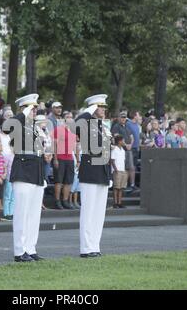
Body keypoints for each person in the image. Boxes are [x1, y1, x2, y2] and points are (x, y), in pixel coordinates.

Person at [3, 93, 47, 262]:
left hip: (36, 170)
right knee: (22, 213)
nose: (35, 110)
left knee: (34, 214)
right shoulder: (18, 123)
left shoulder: (35, 126)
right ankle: (19, 251)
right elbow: (6, 127)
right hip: (23, 170)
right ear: (23, 108)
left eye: (36, 107)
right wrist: (23, 112)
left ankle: (30, 248)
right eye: (32, 107)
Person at [76, 94, 112, 258]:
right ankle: (86, 248)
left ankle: (94, 246)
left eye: (104, 107)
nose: (104, 110)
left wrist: (108, 174)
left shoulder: (102, 126)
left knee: (98, 213)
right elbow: (78, 122)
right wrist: (90, 108)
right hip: (90, 171)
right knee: (88, 211)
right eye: (101, 106)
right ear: (93, 108)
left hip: (102, 172)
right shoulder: (85, 124)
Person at [51, 111, 77, 210]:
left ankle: (65, 201)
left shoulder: (73, 131)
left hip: (70, 158)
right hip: (60, 158)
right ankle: (57, 201)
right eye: (68, 117)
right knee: (59, 181)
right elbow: (54, 145)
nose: (70, 118)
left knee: (68, 181)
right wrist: (55, 159)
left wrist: (77, 160)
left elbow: (75, 146)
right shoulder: (59, 129)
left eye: (71, 117)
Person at [0, 117, 14, 221]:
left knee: (12, 190)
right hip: (2, 163)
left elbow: (12, 148)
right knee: (6, 190)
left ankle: (12, 212)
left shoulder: (10, 137)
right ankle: (6, 212)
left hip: (11, 162)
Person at [111, 111, 134, 189]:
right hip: (119, 150)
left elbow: (132, 137)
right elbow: (117, 138)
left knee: (130, 167)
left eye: (124, 117)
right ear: (119, 118)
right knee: (121, 167)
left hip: (128, 149)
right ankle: (120, 185)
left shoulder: (127, 126)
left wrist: (130, 144)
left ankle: (129, 184)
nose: (123, 119)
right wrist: (126, 145)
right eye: (122, 117)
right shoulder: (116, 126)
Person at [126, 110, 141, 190]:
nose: (139, 116)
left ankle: (132, 184)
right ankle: (127, 184)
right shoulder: (128, 124)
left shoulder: (136, 125)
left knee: (134, 167)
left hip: (136, 148)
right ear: (135, 116)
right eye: (138, 115)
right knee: (130, 167)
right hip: (130, 148)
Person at [111, 135, 127, 209]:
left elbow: (123, 160)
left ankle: (119, 202)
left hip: (122, 170)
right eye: (123, 140)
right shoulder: (115, 149)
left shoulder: (123, 150)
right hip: (117, 170)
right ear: (119, 141)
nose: (124, 142)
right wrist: (115, 169)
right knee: (116, 187)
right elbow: (112, 160)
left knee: (121, 187)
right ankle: (115, 203)